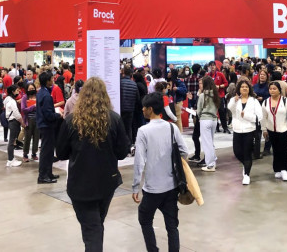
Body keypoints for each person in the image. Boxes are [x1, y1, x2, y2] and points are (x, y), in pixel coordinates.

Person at [56, 77, 129, 252]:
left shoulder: (71, 121)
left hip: (80, 185)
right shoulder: (114, 119)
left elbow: (61, 153)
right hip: (106, 183)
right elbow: (122, 152)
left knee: (92, 229)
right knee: (95, 225)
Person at [132, 92, 188, 252]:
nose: (142, 110)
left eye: (144, 107)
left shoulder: (143, 131)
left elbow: (139, 161)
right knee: (172, 226)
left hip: (152, 189)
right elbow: (184, 151)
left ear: (150, 109)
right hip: (171, 186)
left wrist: (135, 186)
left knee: (144, 219)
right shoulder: (171, 127)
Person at [228, 78, 263, 185]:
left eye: (246, 87)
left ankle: (247, 174)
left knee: (247, 153)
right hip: (237, 130)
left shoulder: (254, 101)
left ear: (249, 89)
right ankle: (246, 165)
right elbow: (230, 109)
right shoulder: (235, 100)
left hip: (249, 130)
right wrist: (234, 101)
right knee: (237, 152)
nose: (244, 88)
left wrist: (246, 116)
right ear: (239, 89)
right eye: (242, 87)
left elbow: (259, 117)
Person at [262, 82, 287, 182]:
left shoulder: (286, 101)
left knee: (284, 150)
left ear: (279, 90)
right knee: (275, 150)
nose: (272, 91)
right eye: (270, 89)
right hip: (271, 130)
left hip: (284, 129)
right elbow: (263, 117)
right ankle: (277, 169)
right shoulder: (265, 102)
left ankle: (284, 170)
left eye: (274, 89)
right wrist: (264, 129)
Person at [37, 72, 62, 184]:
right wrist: (58, 115)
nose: (53, 80)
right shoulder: (46, 96)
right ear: (47, 81)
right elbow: (48, 115)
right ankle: (43, 176)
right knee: (46, 152)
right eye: (51, 79)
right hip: (47, 126)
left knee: (49, 151)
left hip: (44, 125)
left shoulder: (42, 92)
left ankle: (48, 173)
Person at [197, 76, 220, 172]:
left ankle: (210, 165)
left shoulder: (203, 95)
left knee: (207, 143)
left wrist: (199, 117)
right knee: (211, 142)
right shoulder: (216, 95)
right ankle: (213, 161)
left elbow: (199, 110)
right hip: (214, 120)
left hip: (205, 119)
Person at [4, 85, 23, 167]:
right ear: (13, 91)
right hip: (14, 121)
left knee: (13, 140)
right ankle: (10, 160)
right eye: (17, 90)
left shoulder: (7, 99)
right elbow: (16, 113)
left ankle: (11, 158)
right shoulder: (12, 101)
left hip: (11, 120)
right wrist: (22, 122)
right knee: (12, 141)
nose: (18, 92)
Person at [208, 61, 230, 134]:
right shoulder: (208, 75)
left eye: (213, 65)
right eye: (211, 66)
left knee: (221, 112)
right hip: (211, 96)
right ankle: (215, 127)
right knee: (213, 112)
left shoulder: (220, 74)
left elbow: (226, 83)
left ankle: (225, 127)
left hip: (220, 95)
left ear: (215, 66)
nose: (212, 67)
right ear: (209, 67)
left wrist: (220, 86)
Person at [120, 65, 140, 144]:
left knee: (120, 128)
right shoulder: (134, 84)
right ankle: (129, 146)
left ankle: (121, 146)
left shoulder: (119, 83)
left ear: (123, 72)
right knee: (128, 128)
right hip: (130, 110)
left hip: (120, 109)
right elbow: (137, 99)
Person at [21, 83, 40, 162]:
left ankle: (34, 153)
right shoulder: (24, 98)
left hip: (37, 119)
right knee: (27, 138)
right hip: (28, 120)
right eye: (30, 89)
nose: (32, 90)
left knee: (36, 137)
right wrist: (33, 106)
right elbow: (23, 109)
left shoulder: (38, 97)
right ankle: (25, 154)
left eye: (33, 88)